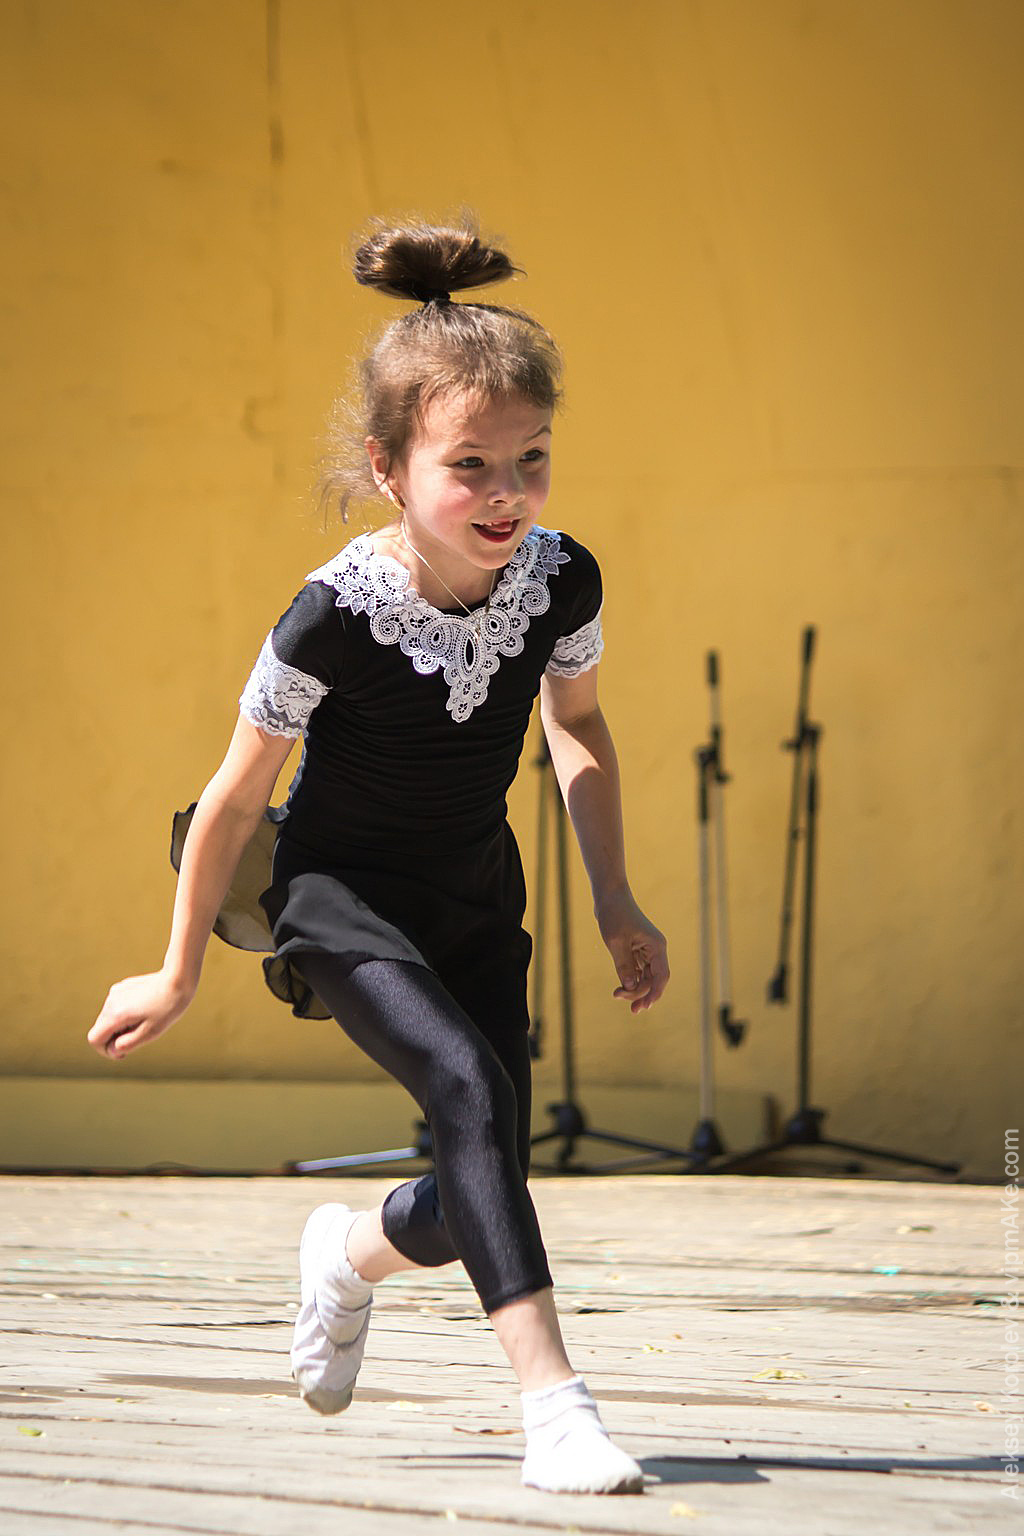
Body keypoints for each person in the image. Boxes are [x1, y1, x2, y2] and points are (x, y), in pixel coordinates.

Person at [87, 217, 670, 1496]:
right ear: (389, 468)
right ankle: (556, 1410)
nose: (507, 491)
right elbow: (234, 800)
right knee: (465, 1089)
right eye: (470, 465)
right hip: (339, 900)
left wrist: (616, 898)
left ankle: (346, 1255)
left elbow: (577, 730)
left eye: (530, 457)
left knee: (480, 1178)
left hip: (474, 896)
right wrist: (176, 969)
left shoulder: (560, 584)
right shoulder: (332, 617)